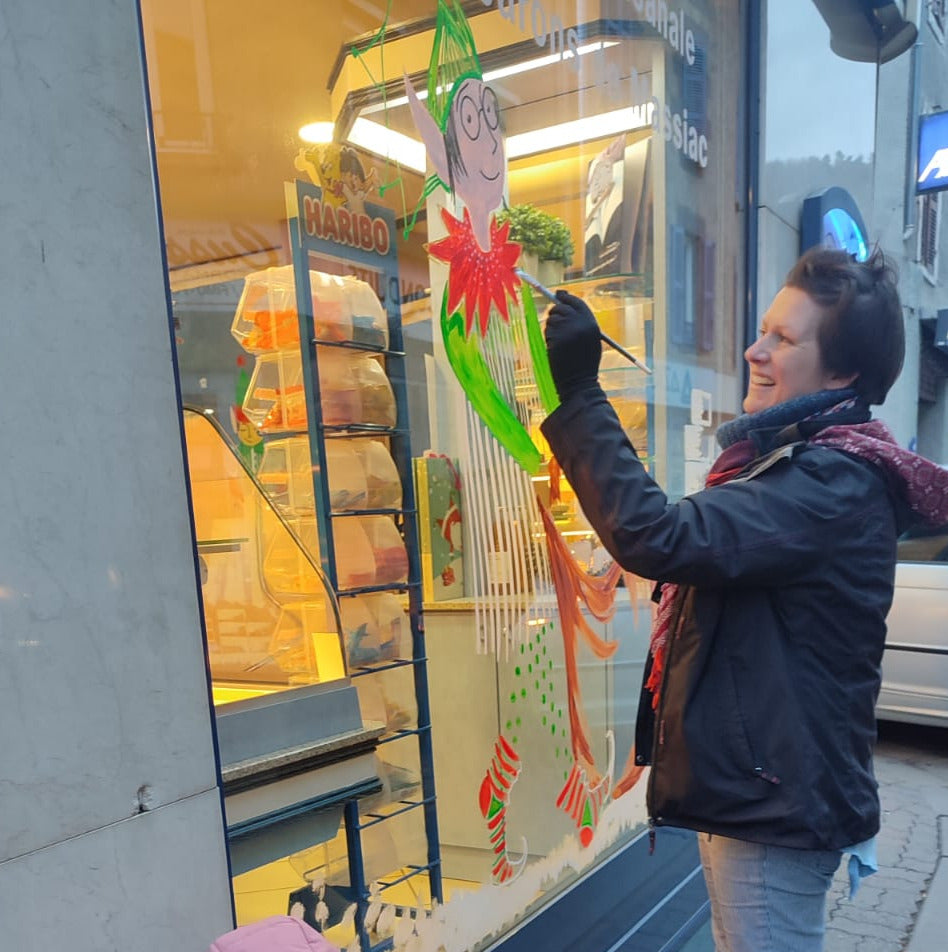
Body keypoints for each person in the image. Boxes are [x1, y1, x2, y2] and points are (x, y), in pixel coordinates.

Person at [540, 245, 948, 952]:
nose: (755, 351)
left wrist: (579, 395)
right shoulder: (804, 466)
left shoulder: (828, 483)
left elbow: (658, 535)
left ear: (843, 372)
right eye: (764, 329)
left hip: (776, 804)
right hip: (768, 795)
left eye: (784, 340)